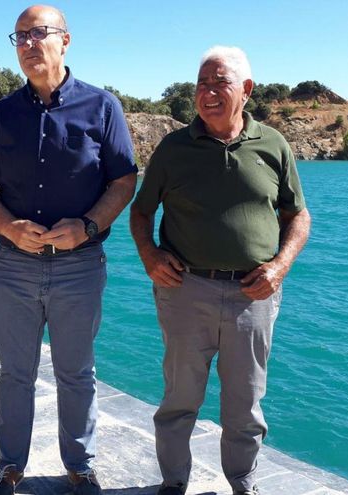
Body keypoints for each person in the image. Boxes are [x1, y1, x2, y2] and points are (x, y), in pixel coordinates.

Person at [0, 5, 137, 495]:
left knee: (77, 374)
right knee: (13, 374)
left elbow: (123, 181)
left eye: (38, 33)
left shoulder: (102, 107)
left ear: (65, 41)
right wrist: (6, 227)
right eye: (19, 36)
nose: (27, 43)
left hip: (79, 266)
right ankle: (9, 466)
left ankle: (80, 466)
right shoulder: (1, 115)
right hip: (14, 265)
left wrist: (87, 227)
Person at [129, 46, 312, 495]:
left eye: (219, 83)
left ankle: (243, 484)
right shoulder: (174, 148)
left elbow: (298, 216)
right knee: (179, 400)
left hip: (255, 295)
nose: (207, 93)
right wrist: (151, 256)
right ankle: (173, 483)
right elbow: (140, 212)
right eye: (201, 85)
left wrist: (280, 266)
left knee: (245, 405)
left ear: (246, 90)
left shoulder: (274, 145)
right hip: (185, 291)